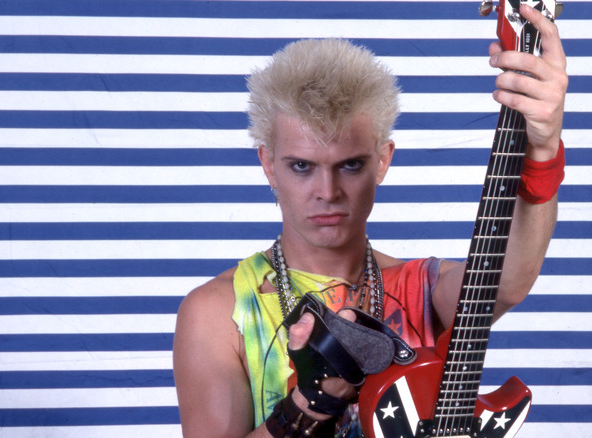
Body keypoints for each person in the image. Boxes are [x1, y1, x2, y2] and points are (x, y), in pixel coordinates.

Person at [173, 4, 567, 437]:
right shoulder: (220, 311)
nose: (327, 191)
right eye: (302, 166)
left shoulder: (422, 289)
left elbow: (506, 282)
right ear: (268, 164)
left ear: (382, 161)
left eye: (350, 165)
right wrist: (310, 402)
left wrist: (543, 149)